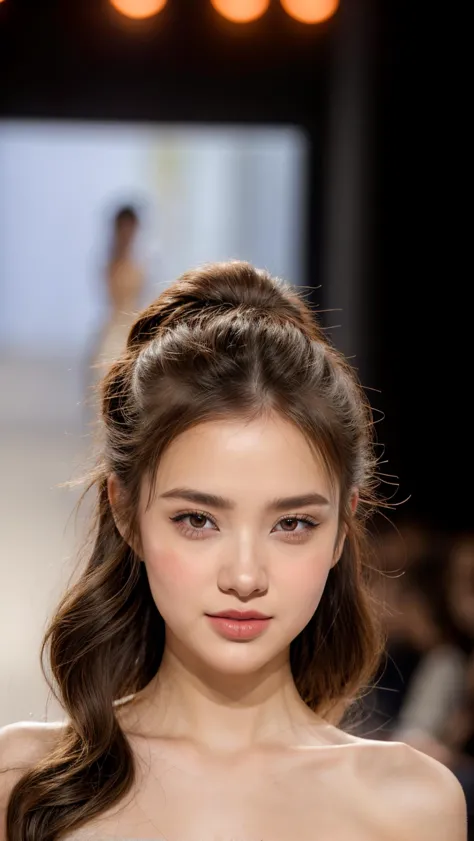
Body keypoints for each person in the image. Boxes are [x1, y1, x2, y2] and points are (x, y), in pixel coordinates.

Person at [0, 261, 467, 840]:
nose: (245, 576)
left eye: (292, 523)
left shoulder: (411, 804)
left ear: (343, 528)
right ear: (125, 513)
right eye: (198, 519)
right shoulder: (23, 781)